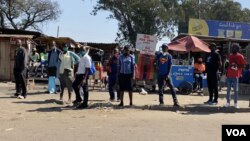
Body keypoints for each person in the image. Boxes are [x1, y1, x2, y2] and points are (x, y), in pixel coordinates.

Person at [225, 44, 246, 108]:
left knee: (235, 90)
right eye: (233, 48)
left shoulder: (240, 56)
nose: (233, 49)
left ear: (238, 49)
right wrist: (227, 65)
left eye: (235, 48)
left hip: (236, 76)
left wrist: (236, 66)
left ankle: (235, 103)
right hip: (229, 75)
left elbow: (243, 65)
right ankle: (228, 102)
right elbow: (228, 65)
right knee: (228, 90)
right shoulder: (230, 56)